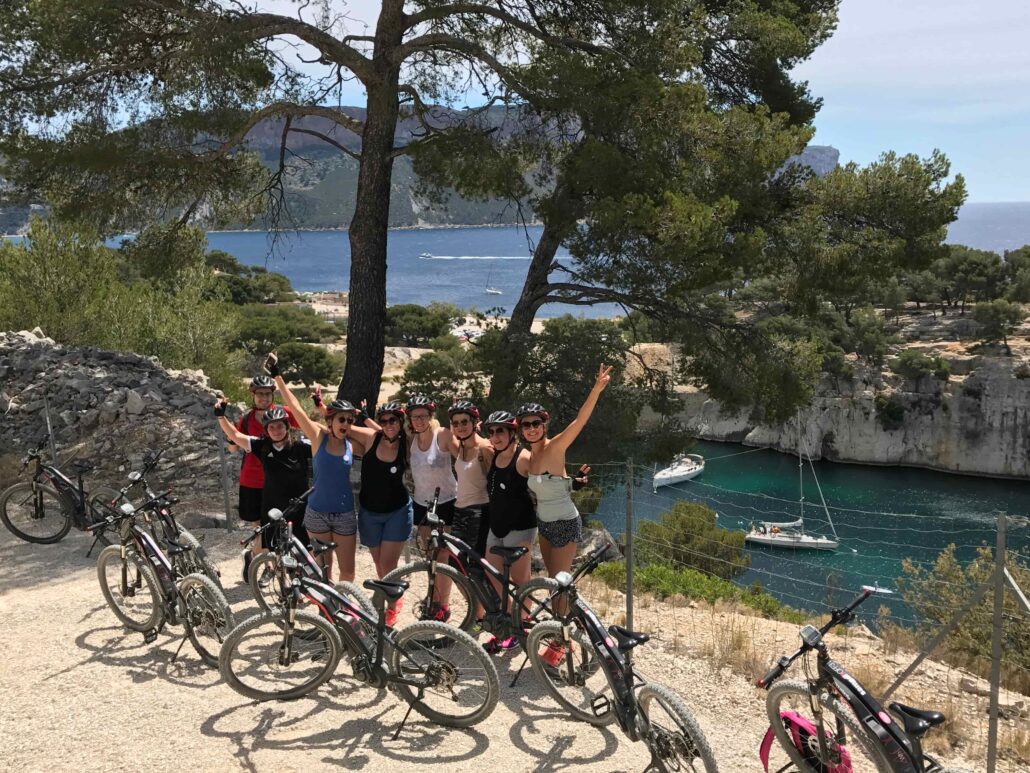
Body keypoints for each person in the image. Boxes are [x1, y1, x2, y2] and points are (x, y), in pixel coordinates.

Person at [265, 352, 377, 583]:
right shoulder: (318, 438)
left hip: (345, 514)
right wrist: (277, 376)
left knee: (348, 571)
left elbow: (378, 437)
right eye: (341, 419)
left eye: (349, 420)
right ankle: (322, 605)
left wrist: (359, 420)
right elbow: (295, 407)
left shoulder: (352, 445)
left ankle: (344, 603)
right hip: (317, 513)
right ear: (330, 421)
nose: (346, 424)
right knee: (322, 571)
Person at [214, 402, 312, 559]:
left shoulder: (301, 446)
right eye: (271, 427)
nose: (276, 431)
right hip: (272, 505)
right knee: (273, 550)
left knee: (305, 549)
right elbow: (236, 436)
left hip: (299, 505)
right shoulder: (262, 446)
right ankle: (268, 569)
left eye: (280, 426)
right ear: (266, 430)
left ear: (287, 427)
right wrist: (221, 417)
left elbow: (322, 440)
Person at [231, 375, 298, 581]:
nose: (264, 398)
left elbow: (301, 421)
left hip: (278, 480)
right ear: (253, 395)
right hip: (252, 480)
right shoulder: (246, 420)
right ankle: (269, 566)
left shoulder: (283, 414)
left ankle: (255, 557)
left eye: (268, 394)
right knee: (260, 529)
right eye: (260, 394)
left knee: (280, 527)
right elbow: (232, 448)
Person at [482, 410, 535, 652]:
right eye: (491, 432)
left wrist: (572, 482)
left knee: (521, 580)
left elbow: (544, 476)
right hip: (497, 526)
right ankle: (509, 622)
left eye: (500, 431)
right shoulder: (494, 453)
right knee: (493, 575)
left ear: (512, 432)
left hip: (520, 527)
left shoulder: (523, 458)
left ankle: (521, 627)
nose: (495, 436)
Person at [358, 402, 413, 627]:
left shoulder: (407, 444)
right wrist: (322, 407)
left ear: (401, 422)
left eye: (393, 420)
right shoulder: (371, 438)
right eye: (384, 421)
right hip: (369, 513)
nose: (389, 424)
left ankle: (391, 607)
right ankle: (392, 592)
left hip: (397, 511)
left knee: (387, 565)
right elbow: (338, 427)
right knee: (380, 565)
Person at [405, 394, 458, 622]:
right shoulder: (411, 439)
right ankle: (432, 598)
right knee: (430, 556)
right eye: (414, 417)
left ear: (430, 415)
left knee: (443, 556)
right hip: (422, 503)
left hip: (446, 501)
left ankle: (443, 605)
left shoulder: (442, 434)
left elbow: (464, 453)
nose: (419, 420)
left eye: (423, 416)